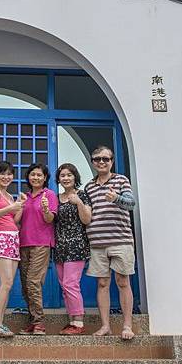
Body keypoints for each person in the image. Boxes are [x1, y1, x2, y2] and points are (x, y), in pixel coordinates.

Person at [84, 146, 136, 340]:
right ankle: (105, 326)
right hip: (97, 242)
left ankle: (127, 326)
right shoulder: (89, 186)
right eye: (97, 159)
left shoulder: (121, 180)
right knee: (102, 283)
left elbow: (131, 203)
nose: (101, 162)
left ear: (112, 161)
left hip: (120, 240)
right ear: (93, 162)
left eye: (105, 159)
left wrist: (116, 198)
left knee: (122, 281)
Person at [0, 161, 25, 338]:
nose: (6, 177)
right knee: (5, 283)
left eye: (9, 174)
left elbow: (14, 220)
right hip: (0, 237)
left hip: (13, 238)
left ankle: (0, 322)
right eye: (2, 173)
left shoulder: (8, 195)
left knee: (8, 284)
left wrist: (20, 205)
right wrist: (12, 207)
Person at [18, 163, 58, 335]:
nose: (35, 177)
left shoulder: (49, 195)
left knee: (33, 282)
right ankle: (32, 320)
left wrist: (46, 209)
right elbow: (17, 220)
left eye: (39, 175)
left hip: (41, 243)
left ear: (45, 178)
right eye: (32, 174)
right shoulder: (24, 197)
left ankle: (39, 323)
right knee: (25, 285)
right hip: (23, 244)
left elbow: (50, 220)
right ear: (28, 177)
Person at [54, 163, 92, 335]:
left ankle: (78, 321)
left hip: (76, 245)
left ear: (75, 177)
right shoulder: (56, 198)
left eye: (69, 175)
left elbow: (87, 219)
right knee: (64, 286)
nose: (66, 178)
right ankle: (72, 321)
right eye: (62, 175)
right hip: (60, 246)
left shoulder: (82, 195)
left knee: (71, 284)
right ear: (58, 179)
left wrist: (78, 203)